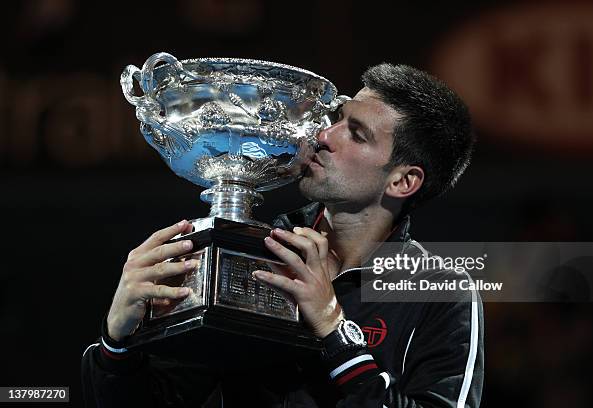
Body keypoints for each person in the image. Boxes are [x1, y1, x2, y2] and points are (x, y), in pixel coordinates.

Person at [82, 63, 483, 407]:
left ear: (403, 181)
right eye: (338, 118)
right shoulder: (257, 251)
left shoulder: (439, 291)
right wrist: (117, 344)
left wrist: (335, 331)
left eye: (357, 134)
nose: (325, 136)